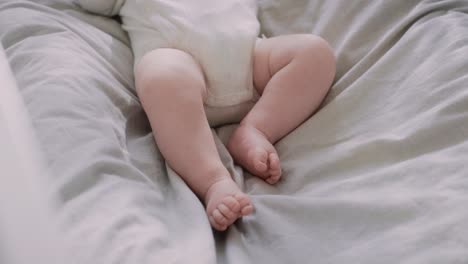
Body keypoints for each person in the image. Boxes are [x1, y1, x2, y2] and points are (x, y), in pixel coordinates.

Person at [88, 0, 336, 231]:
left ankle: (256, 129)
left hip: (251, 62)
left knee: (315, 51)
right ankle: (214, 181)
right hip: (181, 67)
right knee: (160, 76)